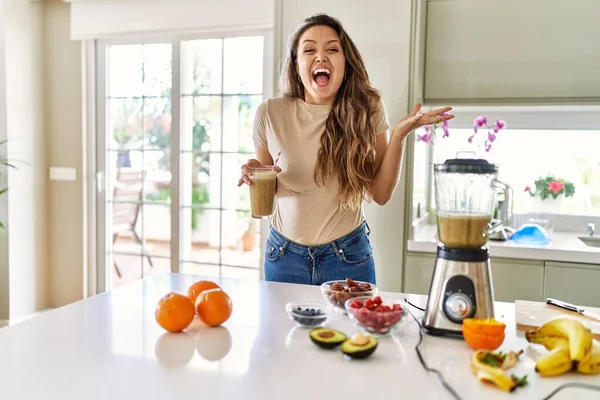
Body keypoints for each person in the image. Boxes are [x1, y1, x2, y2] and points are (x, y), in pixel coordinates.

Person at [237, 13, 453, 286]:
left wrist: (399, 135)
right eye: (309, 50)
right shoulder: (269, 113)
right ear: (296, 64)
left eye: (332, 49)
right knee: (283, 330)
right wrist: (255, 174)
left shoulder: (367, 109)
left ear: (345, 63)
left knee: (354, 331)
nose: (320, 57)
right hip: (283, 256)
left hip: (347, 257)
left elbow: (381, 194)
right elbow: (270, 188)